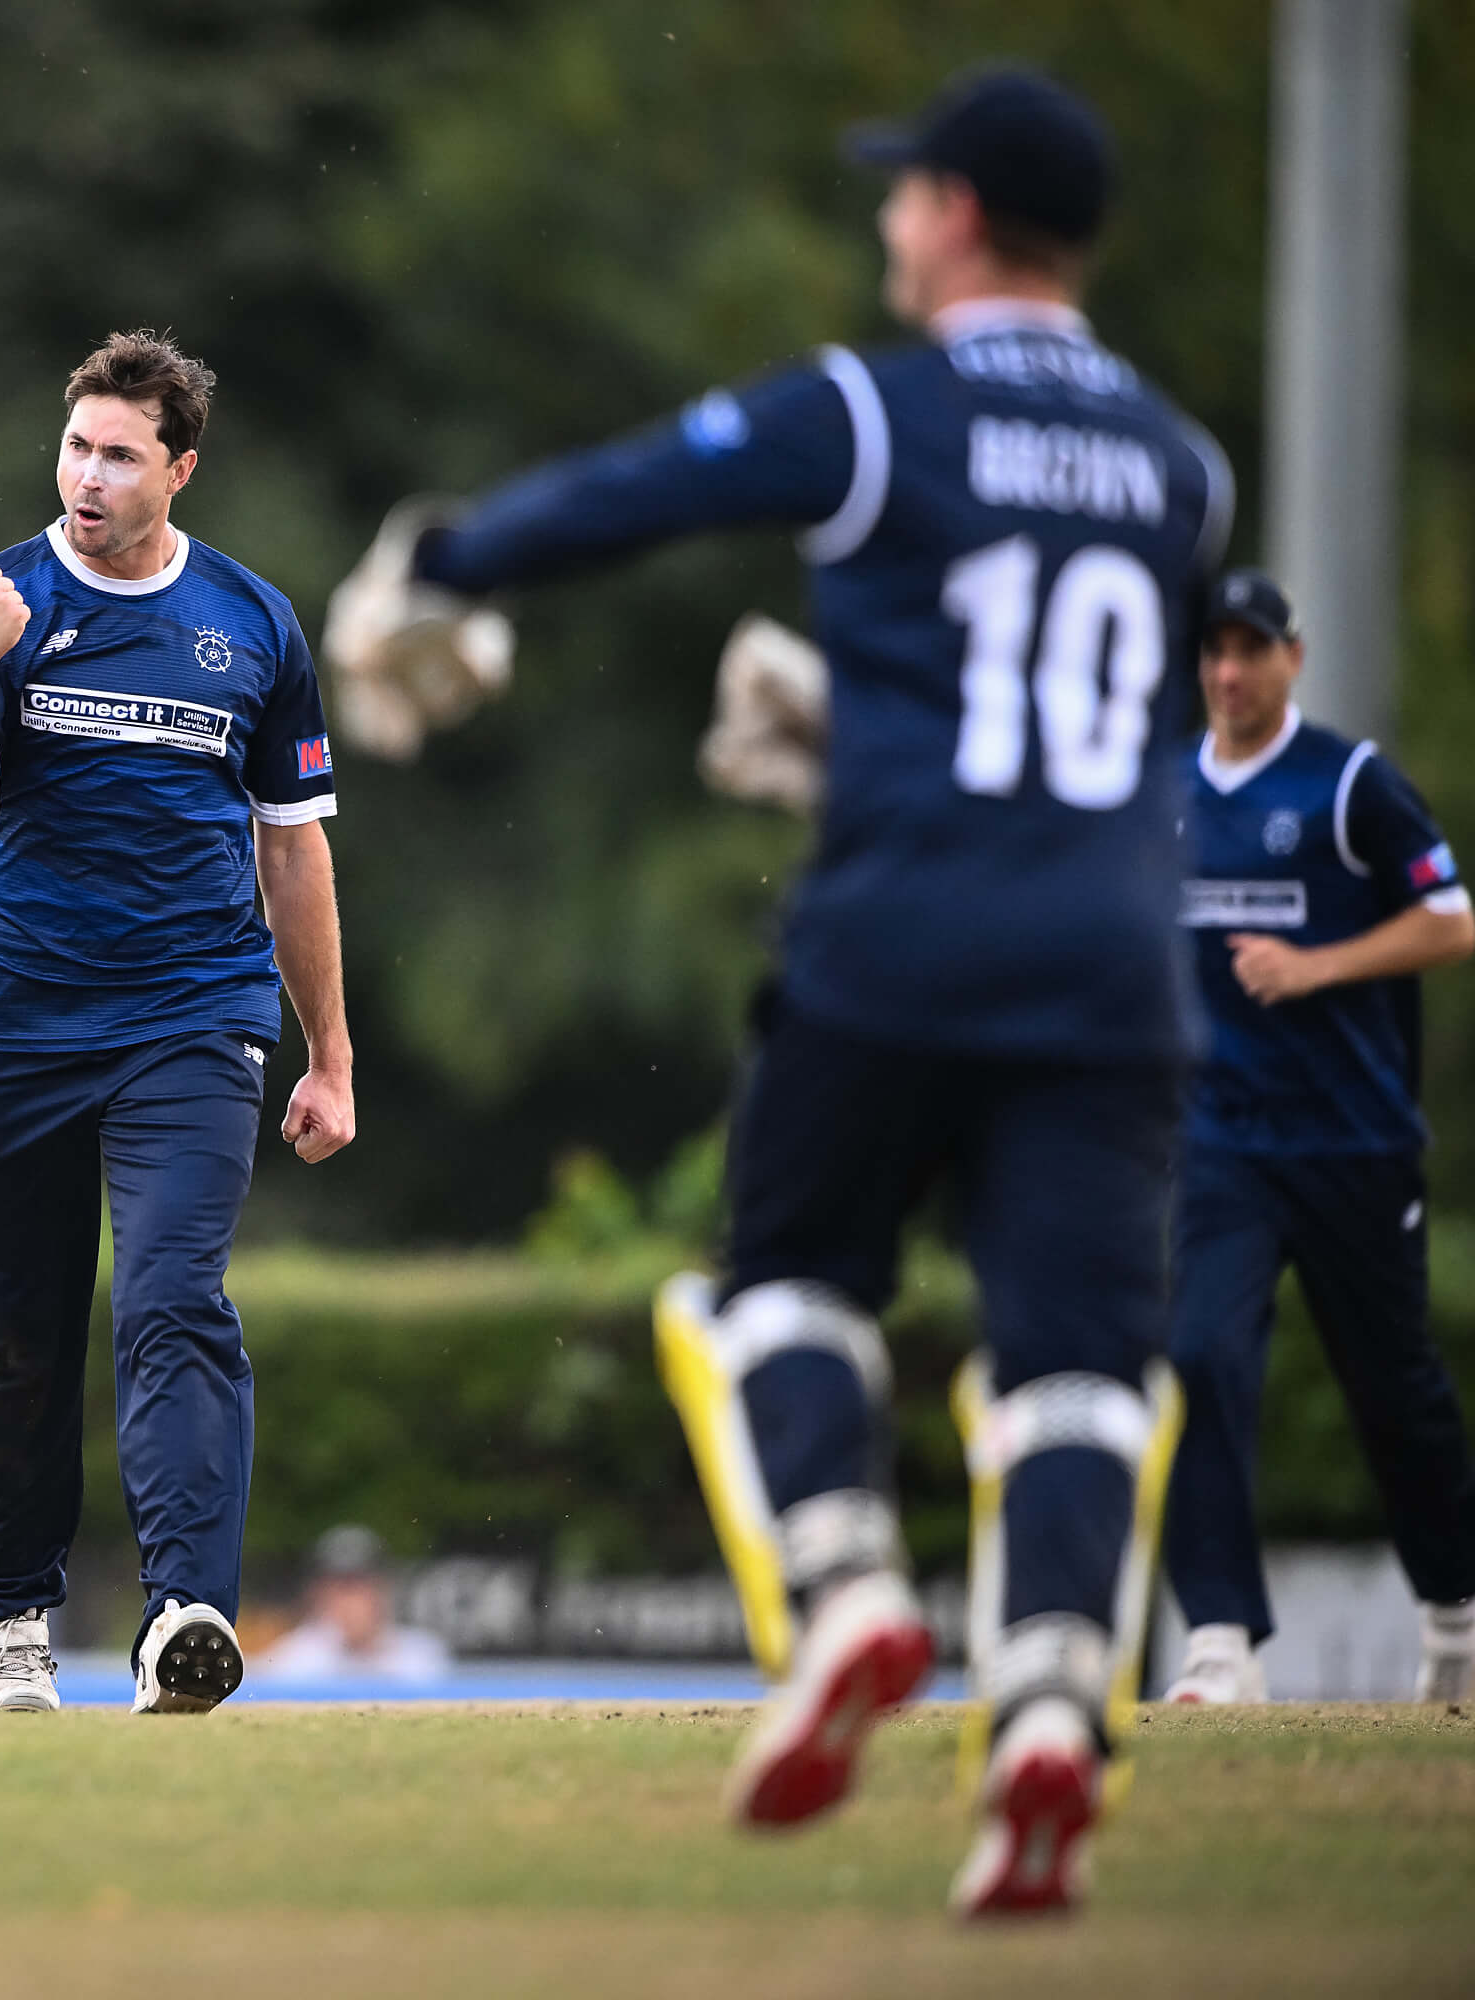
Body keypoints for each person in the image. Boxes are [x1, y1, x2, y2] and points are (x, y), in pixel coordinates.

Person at [343, 69, 1230, 1914]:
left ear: (965, 216)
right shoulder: (1181, 461)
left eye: (911, 196)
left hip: (900, 939)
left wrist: (446, 559)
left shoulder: (873, 408)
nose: (893, 221)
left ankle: (845, 1598)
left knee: (780, 1288)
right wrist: (866, 736)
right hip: (1112, 959)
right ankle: (1055, 1711)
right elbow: (1084, 731)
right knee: (1074, 1365)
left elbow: (648, 491)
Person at [0, 330, 355, 1718]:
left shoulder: (254, 623)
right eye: (75, 447)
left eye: (120, 454)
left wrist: (331, 1054)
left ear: (180, 468)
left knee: (175, 1300)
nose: (88, 476)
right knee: (20, 1332)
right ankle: (11, 1622)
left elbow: (294, 848)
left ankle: (184, 1616)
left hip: (195, 1015)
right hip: (12, 1017)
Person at [1157, 569, 1475, 1706]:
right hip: (1222, 1146)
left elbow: (1452, 920)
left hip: (1351, 1142)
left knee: (1393, 1391)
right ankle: (1221, 1642)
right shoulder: (1165, 790)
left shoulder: (1348, 784)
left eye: (1252, 651)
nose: (1230, 674)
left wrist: (1317, 968)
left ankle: (1456, 1611)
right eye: (1213, 653)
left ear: (1295, 656)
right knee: (1198, 1358)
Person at [255, 1525, 450, 1681]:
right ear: (319, 1594)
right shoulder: (295, 1658)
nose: (350, 1601)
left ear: (383, 1588)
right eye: (340, 1588)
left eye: (359, 1586)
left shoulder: (421, 1655)